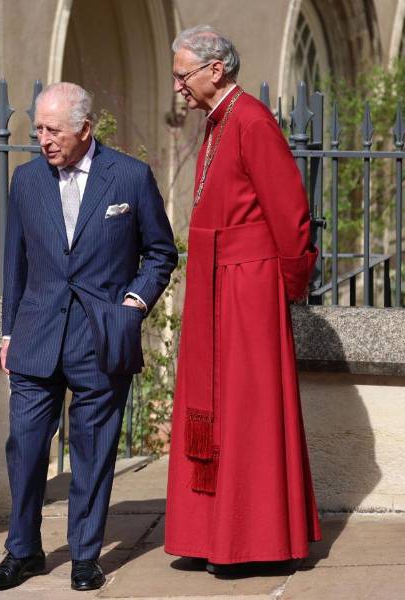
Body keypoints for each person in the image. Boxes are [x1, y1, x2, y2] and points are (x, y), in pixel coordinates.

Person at [0, 82, 177, 592]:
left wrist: (133, 306)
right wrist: (8, 332)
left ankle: (85, 555)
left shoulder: (130, 177)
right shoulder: (26, 180)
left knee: (94, 452)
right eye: (38, 130)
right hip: (35, 337)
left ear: (85, 129)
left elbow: (161, 253)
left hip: (102, 338)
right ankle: (22, 550)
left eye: (53, 130)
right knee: (25, 449)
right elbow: (16, 264)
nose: (43, 140)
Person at [164, 26, 322, 574]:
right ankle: (212, 535)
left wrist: (286, 287)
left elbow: (290, 217)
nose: (178, 87)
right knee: (213, 408)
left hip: (248, 286)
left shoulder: (252, 120)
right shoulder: (216, 122)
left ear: (216, 70)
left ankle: (255, 540)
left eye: (183, 74)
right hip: (215, 281)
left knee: (248, 411)